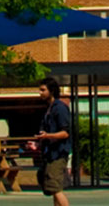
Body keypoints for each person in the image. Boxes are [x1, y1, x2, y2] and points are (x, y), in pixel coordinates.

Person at [36, 77, 70, 206]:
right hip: (49, 154)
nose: (40, 93)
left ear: (51, 90)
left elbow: (65, 132)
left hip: (58, 154)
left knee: (54, 188)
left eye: (43, 90)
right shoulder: (49, 108)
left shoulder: (60, 108)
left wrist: (47, 136)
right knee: (54, 188)